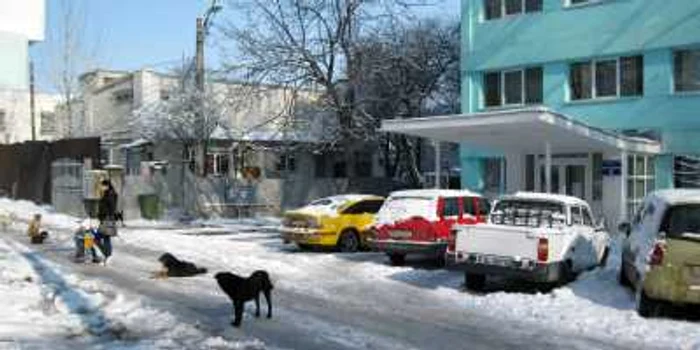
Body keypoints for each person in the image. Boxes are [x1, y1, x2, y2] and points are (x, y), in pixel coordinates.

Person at [96, 180, 118, 262]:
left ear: (107, 186)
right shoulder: (108, 193)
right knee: (105, 238)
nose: (102, 187)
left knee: (99, 238)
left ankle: (107, 254)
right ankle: (107, 255)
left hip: (107, 218)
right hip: (106, 218)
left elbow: (111, 207)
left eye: (103, 186)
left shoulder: (110, 194)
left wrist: (105, 215)